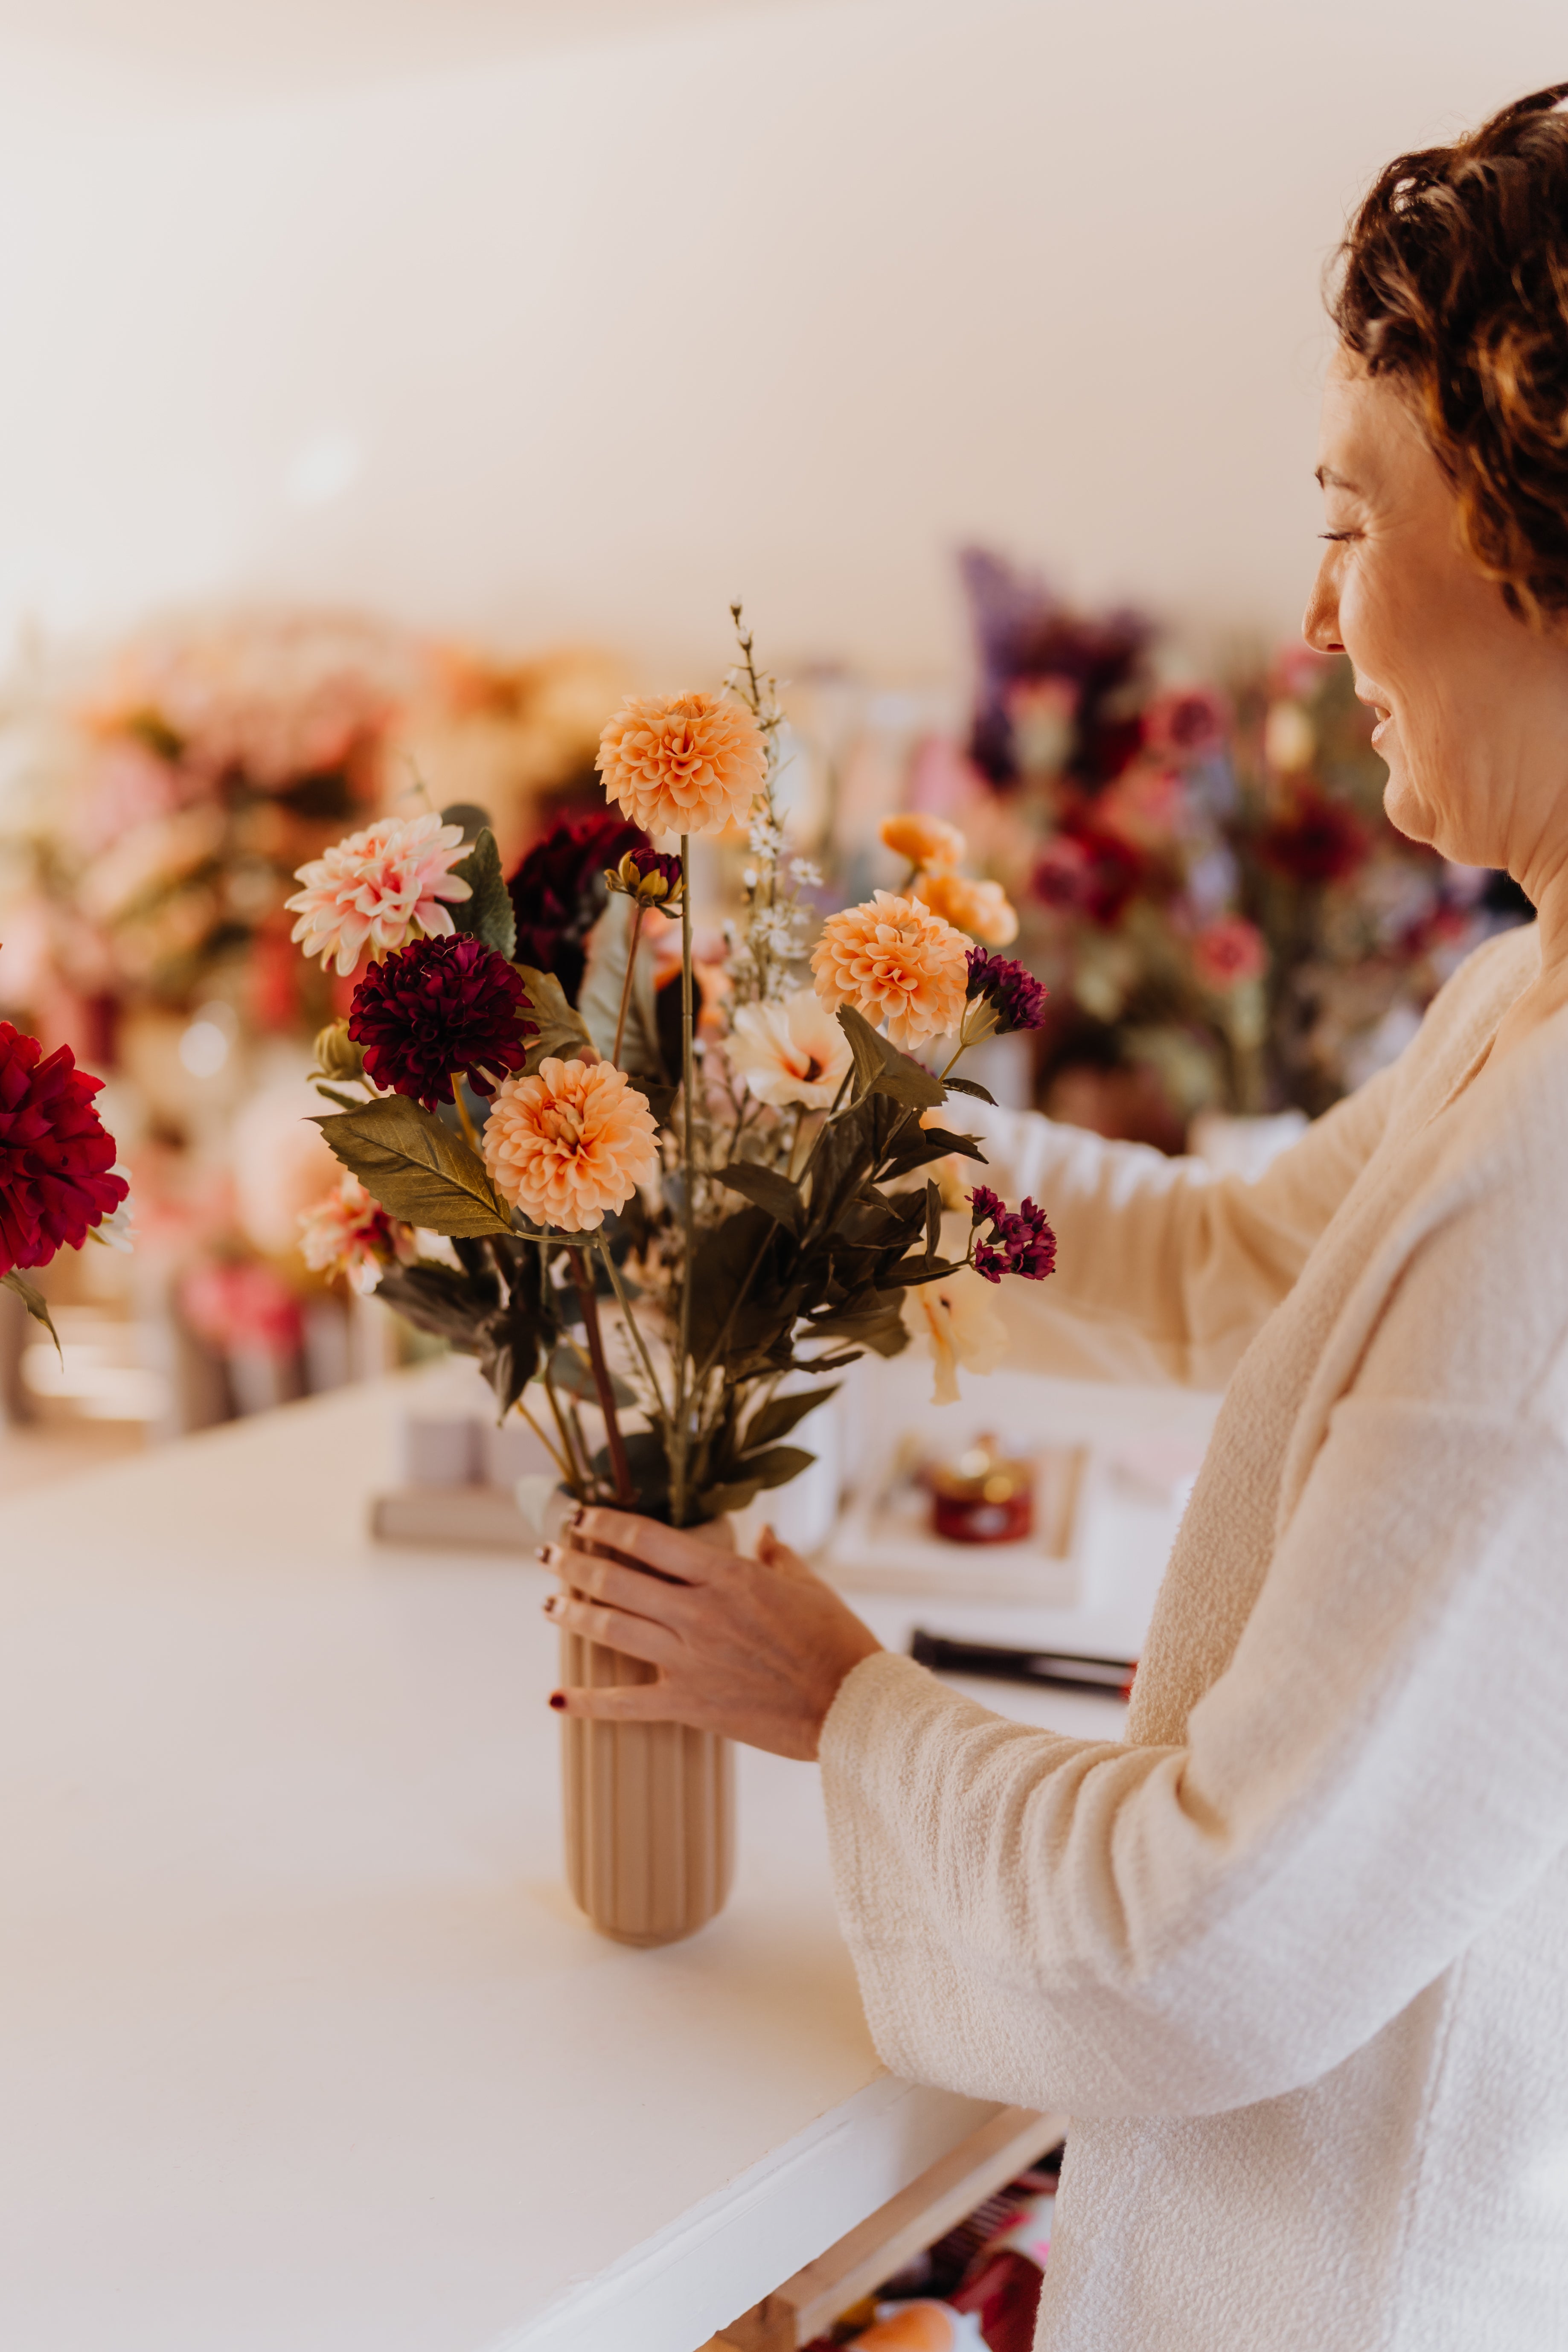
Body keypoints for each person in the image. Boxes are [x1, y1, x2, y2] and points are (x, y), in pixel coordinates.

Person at [542, 85, 1568, 2350]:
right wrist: (830, 1136)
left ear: (1532, 536)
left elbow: (1215, 1944)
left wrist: (835, 1704)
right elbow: (1242, 1267)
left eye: (1350, 518)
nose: (1311, 622)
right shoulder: (1529, 990)